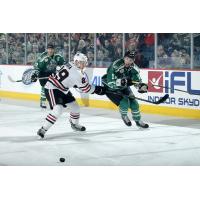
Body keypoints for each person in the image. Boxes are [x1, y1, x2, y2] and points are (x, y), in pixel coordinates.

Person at [37, 52, 106, 139]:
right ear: (77, 62)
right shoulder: (78, 74)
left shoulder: (70, 63)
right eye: (83, 62)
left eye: (84, 62)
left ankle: (74, 124)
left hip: (63, 89)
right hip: (52, 88)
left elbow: (64, 73)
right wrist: (97, 89)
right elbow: (86, 89)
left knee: (75, 107)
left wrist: (74, 83)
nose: (84, 64)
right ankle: (43, 129)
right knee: (58, 109)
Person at [102, 50, 149, 128]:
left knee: (134, 103)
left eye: (130, 60)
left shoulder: (134, 68)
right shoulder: (116, 65)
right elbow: (111, 83)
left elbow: (136, 82)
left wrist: (141, 87)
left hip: (124, 86)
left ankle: (138, 120)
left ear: (133, 60)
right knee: (124, 103)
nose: (128, 61)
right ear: (124, 58)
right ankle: (124, 116)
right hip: (110, 87)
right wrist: (122, 82)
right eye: (126, 59)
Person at [31, 43, 65, 108]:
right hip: (43, 73)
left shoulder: (58, 57)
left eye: (51, 49)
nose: (50, 50)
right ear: (47, 49)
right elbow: (38, 67)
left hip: (53, 73)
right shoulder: (43, 57)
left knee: (57, 87)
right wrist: (35, 74)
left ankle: (57, 101)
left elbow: (64, 65)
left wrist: (60, 69)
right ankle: (43, 101)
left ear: (54, 50)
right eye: (49, 49)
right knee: (45, 87)